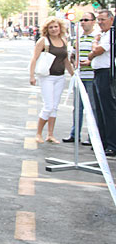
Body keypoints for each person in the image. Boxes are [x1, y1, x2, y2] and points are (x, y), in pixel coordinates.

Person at [29, 17, 74, 144]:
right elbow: (34, 58)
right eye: (51, 27)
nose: (54, 29)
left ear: (60, 28)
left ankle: (50, 134)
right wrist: (32, 76)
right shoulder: (43, 41)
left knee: (54, 107)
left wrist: (73, 74)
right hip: (47, 77)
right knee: (48, 106)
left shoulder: (63, 40)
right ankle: (38, 133)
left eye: (56, 27)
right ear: (47, 29)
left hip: (60, 77)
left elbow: (65, 60)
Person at [81, 9, 116, 157]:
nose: (100, 22)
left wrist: (94, 45)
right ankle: (103, 142)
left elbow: (97, 50)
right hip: (98, 72)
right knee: (100, 110)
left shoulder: (110, 35)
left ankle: (112, 144)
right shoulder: (103, 35)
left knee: (108, 109)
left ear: (111, 20)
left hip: (106, 73)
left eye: (103, 19)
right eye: (99, 20)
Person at [63, 12, 98, 144]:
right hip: (79, 76)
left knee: (92, 108)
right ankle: (74, 134)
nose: (83, 22)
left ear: (93, 22)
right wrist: (74, 63)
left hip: (92, 76)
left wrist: (90, 62)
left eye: (86, 20)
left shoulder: (97, 37)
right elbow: (72, 55)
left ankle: (92, 136)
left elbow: (99, 55)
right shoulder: (78, 38)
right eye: (81, 20)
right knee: (77, 107)